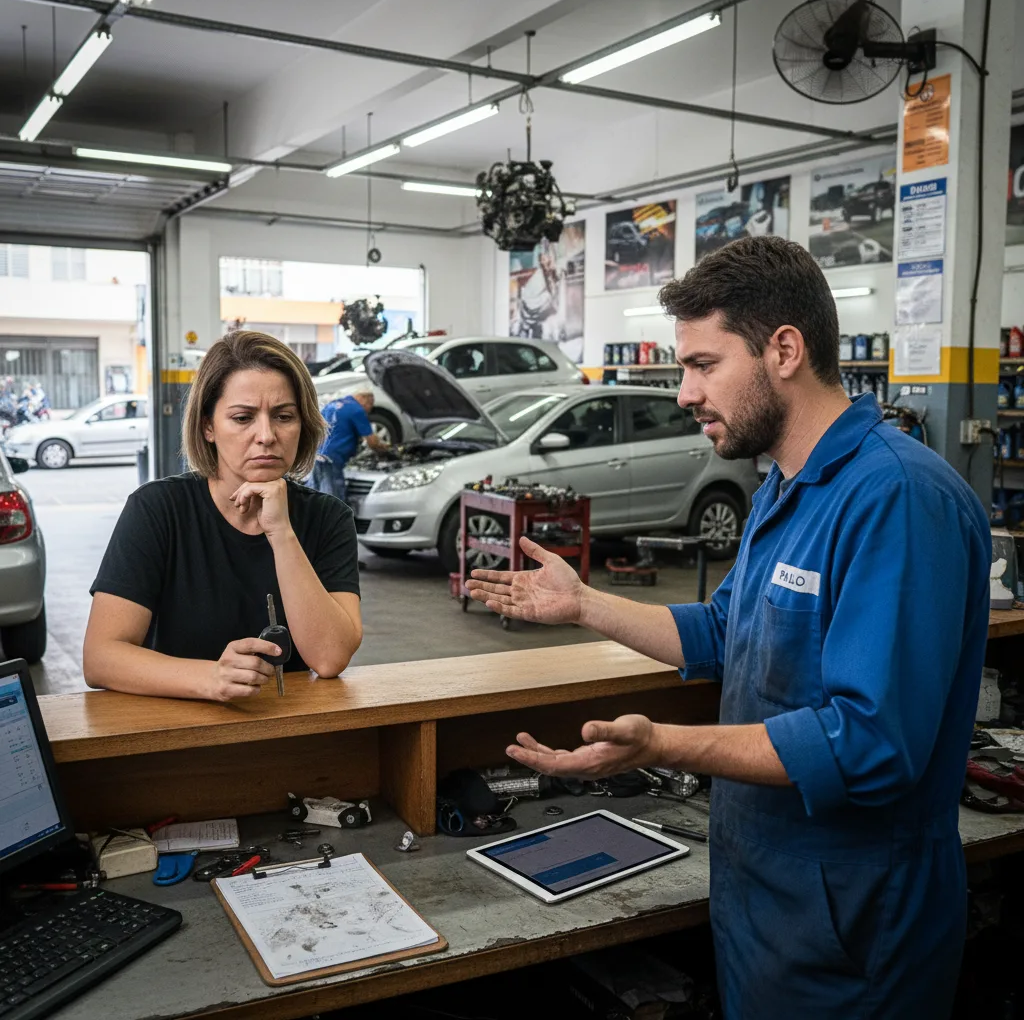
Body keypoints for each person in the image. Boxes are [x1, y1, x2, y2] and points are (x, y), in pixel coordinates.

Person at [467, 236, 990, 1019]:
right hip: (764, 900)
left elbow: (871, 744)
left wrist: (664, 745)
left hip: (856, 925)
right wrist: (583, 605)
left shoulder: (899, 499)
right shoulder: (787, 486)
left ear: (784, 349)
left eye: (704, 365)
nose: (683, 393)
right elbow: (725, 631)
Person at [83, 330, 363, 701]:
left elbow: (329, 659)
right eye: (243, 418)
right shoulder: (158, 509)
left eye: (284, 416)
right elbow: (101, 658)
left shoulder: (328, 518)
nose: (266, 435)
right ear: (208, 426)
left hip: (288, 735)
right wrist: (210, 677)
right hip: (176, 735)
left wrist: (281, 533)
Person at [310, 387, 387, 501]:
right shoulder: (357, 410)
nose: (370, 408)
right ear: (364, 398)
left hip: (318, 453)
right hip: (333, 456)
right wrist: (386, 451)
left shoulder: (333, 404)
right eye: (370, 403)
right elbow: (372, 442)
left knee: (315, 491)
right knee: (335, 498)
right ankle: (336, 518)